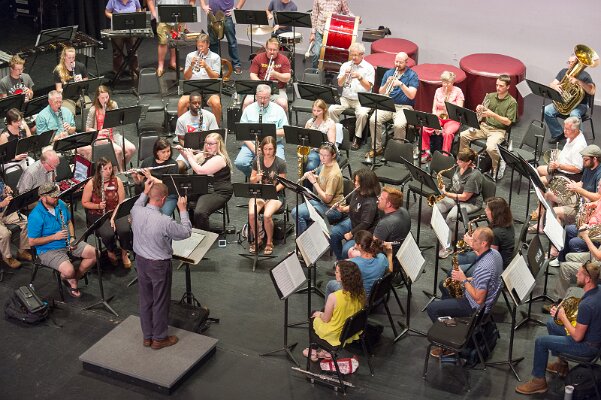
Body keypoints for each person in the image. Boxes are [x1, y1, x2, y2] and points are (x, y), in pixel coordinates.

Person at [516, 262, 601, 395]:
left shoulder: (587, 305)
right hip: (592, 337)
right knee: (551, 323)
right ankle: (561, 365)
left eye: (579, 273)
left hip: (587, 347)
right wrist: (561, 314)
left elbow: (577, 337)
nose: (576, 275)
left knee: (541, 342)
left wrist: (563, 316)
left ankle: (539, 382)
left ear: (588, 279)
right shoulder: (598, 289)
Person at [131, 179, 192, 350]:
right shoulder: (165, 221)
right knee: (160, 301)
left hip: (140, 261)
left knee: (145, 300)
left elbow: (139, 201)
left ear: (149, 195)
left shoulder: (136, 210)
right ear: (164, 199)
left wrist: (145, 191)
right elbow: (186, 232)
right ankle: (159, 338)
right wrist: (183, 210)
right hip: (158, 265)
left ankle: (147, 336)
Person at [426, 227, 503, 357]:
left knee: (432, 308)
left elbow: (479, 299)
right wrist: (470, 279)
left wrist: (463, 280)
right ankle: (451, 320)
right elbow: (488, 279)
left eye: (474, 240)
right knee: (443, 285)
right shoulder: (495, 254)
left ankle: (449, 344)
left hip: (474, 307)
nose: (471, 241)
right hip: (481, 296)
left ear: (484, 243)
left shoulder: (484, 268)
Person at [28, 182, 97, 298]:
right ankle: (70, 277)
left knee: (95, 253)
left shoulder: (60, 204)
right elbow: (32, 241)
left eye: (57, 195)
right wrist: (54, 237)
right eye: (53, 196)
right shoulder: (35, 216)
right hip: (48, 250)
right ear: (43, 197)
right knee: (69, 271)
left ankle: (75, 278)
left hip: (67, 242)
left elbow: (69, 222)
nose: (57, 198)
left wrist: (72, 238)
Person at [530, 117, 587, 232]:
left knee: (541, 183)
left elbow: (577, 168)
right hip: (560, 170)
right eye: (564, 128)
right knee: (538, 171)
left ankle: (541, 215)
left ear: (575, 130)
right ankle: (541, 210)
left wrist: (559, 165)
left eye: (567, 129)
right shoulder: (571, 137)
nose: (564, 131)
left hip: (568, 176)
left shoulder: (579, 145)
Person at [303, 260, 364, 361]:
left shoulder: (334, 297)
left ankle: (313, 351)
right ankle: (326, 352)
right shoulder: (361, 292)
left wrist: (319, 314)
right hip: (349, 331)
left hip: (335, 334)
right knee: (323, 311)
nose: (335, 273)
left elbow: (326, 319)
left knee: (313, 314)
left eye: (337, 272)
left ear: (343, 276)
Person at [459, 74, 517, 181]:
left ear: (508, 87)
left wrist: (492, 114)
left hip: (498, 130)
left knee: (490, 147)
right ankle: (466, 161)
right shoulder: (490, 96)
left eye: (501, 86)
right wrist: (480, 108)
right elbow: (482, 113)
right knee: (463, 135)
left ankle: (497, 166)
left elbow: (508, 122)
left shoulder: (512, 102)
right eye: (497, 85)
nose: (498, 88)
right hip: (484, 127)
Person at [81, 158, 131, 268]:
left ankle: (124, 253)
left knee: (124, 230)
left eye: (110, 168)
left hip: (116, 211)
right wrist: (98, 206)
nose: (109, 171)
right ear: (99, 171)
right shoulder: (91, 183)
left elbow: (121, 202)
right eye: (105, 169)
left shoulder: (117, 181)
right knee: (108, 234)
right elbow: (84, 202)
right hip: (98, 213)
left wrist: (113, 218)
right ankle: (110, 251)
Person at [368, 52, 418, 159]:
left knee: (399, 125)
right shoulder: (389, 73)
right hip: (388, 104)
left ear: (406, 62)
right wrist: (387, 83)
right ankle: (377, 148)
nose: (398, 64)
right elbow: (381, 92)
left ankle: (397, 151)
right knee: (373, 119)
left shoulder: (412, 75)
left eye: (400, 62)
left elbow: (412, 95)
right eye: (396, 62)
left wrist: (401, 84)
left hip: (404, 106)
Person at [436, 148, 483, 259]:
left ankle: (449, 247)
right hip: (456, 195)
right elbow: (454, 183)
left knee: (451, 217)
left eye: (460, 161)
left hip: (471, 202)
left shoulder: (474, 176)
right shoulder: (459, 167)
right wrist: (445, 189)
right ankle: (443, 233)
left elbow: (465, 197)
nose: (457, 162)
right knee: (437, 207)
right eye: (457, 160)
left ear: (469, 162)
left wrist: (446, 193)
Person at [180, 132, 233, 231]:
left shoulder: (219, 159)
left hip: (218, 191)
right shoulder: (202, 155)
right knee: (179, 197)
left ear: (218, 145)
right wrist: (184, 152)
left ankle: (205, 235)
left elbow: (201, 171)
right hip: (203, 187)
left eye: (211, 144)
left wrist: (190, 157)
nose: (208, 146)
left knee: (200, 212)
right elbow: (193, 162)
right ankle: (192, 225)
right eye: (206, 143)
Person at [344, 186, 410, 262]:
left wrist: (357, 247)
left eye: (381, 198)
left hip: (386, 255)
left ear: (388, 204)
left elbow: (373, 248)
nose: (378, 199)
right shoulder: (404, 211)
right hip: (400, 250)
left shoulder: (384, 224)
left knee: (351, 251)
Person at [234, 84, 287, 177]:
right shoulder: (248, 109)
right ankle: (255, 177)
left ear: (270, 96)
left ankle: (270, 180)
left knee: (280, 164)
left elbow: (285, 131)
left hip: (274, 144)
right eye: (260, 98)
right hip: (253, 143)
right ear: (256, 96)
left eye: (266, 98)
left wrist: (269, 131)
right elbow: (242, 132)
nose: (262, 101)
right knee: (240, 162)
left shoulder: (278, 110)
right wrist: (253, 148)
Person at [328, 43, 374, 150]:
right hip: (346, 98)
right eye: (351, 55)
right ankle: (336, 133)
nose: (353, 57)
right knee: (331, 109)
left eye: (355, 55)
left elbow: (368, 87)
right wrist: (345, 75)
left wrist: (359, 77)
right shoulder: (345, 65)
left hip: (362, 99)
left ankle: (357, 138)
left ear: (362, 55)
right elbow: (340, 84)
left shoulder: (369, 68)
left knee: (362, 114)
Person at [291, 142, 344, 235]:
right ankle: (307, 237)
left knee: (298, 213)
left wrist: (314, 182)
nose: (322, 158)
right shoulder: (325, 164)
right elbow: (325, 181)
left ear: (333, 155)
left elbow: (327, 199)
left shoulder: (334, 174)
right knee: (295, 211)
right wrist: (316, 178)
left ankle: (305, 240)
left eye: (326, 155)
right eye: (321, 154)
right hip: (321, 202)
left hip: (333, 209)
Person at [246, 136, 286, 255]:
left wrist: (272, 192)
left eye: (270, 149)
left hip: (275, 194)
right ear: (262, 149)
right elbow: (251, 180)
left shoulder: (280, 163)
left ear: (275, 149)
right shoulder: (257, 161)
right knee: (252, 214)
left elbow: (283, 183)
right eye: (265, 149)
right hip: (259, 193)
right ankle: (258, 238)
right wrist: (256, 178)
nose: (268, 152)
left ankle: (269, 241)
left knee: (267, 216)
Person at [330, 168, 380, 260]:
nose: (355, 183)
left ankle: (346, 263)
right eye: (355, 180)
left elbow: (365, 223)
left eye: (358, 181)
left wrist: (351, 233)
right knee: (333, 233)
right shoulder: (357, 191)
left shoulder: (370, 202)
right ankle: (340, 260)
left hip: (363, 231)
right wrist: (343, 209)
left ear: (365, 183)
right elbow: (355, 206)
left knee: (346, 250)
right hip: (353, 222)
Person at [545, 55, 596, 145]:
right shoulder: (563, 72)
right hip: (563, 102)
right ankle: (557, 133)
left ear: (578, 63)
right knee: (547, 110)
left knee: (574, 115)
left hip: (580, 105)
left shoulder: (585, 76)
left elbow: (592, 91)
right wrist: (555, 86)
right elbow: (551, 84)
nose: (570, 64)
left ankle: (578, 141)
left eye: (573, 62)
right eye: (569, 62)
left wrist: (578, 82)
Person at [83, 85, 137, 169]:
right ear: (97, 97)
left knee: (131, 149)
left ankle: (119, 168)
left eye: (107, 97)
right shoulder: (93, 109)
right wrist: (98, 132)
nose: (105, 100)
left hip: (113, 134)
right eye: (102, 98)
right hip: (99, 137)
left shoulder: (113, 105)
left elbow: (118, 123)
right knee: (118, 150)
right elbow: (87, 128)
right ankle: (119, 172)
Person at [456, 197, 515, 273]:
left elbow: (488, 258)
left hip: (494, 268)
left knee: (454, 268)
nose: (485, 210)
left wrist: (471, 244)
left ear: (494, 213)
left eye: (487, 209)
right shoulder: (506, 222)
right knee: (458, 259)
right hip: (495, 258)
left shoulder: (496, 233)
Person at [326, 230, 391, 299]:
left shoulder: (353, 264)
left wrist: (340, 267)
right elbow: (389, 272)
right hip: (376, 295)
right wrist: (390, 253)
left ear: (359, 246)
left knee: (331, 284)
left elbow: (341, 280)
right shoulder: (382, 257)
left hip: (360, 299)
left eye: (355, 243)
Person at [178, 33, 222, 124]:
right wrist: (191, 66)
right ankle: (182, 128)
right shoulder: (190, 56)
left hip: (210, 89)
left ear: (208, 45)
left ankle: (216, 128)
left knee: (216, 103)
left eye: (202, 46)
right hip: (193, 88)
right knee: (182, 102)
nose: (200, 49)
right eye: (198, 46)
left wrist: (206, 67)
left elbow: (216, 77)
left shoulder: (215, 57)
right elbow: (186, 77)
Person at [421, 70, 464, 162]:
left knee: (447, 133)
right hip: (439, 116)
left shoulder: (458, 91)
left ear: (452, 82)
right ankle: (426, 152)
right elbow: (434, 109)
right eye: (443, 82)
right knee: (425, 127)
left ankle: (445, 156)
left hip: (452, 119)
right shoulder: (438, 91)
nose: (445, 85)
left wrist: (448, 106)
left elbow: (459, 111)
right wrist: (435, 123)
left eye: (447, 83)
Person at [147, 0, 196, 77]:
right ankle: (160, 66)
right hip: (162, 16)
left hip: (180, 16)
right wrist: (153, 13)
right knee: (163, 42)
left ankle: (173, 63)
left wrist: (188, 11)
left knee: (175, 40)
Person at [131, 138, 179, 216]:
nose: (167, 154)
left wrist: (150, 177)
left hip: (167, 195)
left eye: (168, 151)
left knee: (161, 217)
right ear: (157, 152)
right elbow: (139, 182)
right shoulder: (147, 161)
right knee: (139, 214)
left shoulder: (173, 164)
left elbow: (168, 185)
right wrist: (135, 177)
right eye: (163, 152)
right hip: (150, 194)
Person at [244, 37, 291, 113]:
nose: (272, 52)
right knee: (247, 102)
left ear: (278, 50)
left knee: (283, 104)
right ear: (266, 48)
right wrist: (260, 83)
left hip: (277, 90)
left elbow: (287, 78)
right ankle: (246, 121)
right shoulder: (258, 57)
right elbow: (253, 74)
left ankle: (282, 121)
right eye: (269, 49)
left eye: (274, 50)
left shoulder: (284, 59)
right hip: (259, 88)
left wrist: (275, 74)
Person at [174, 92, 219, 171]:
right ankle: (186, 177)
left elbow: (215, 136)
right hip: (189, 150)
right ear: (189, 104)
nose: (197, 105)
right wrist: (189, 150)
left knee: (208, 167)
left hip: (206, 150)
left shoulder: (210, 116)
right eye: (194, 103)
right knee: (178, 166)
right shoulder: (181, 119)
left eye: (199, 103)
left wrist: (206, 150)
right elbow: (181, 138)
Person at [200, 0, 245, 75]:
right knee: (213, 42)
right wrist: (203, 6)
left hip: (227, 16)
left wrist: (237, 8)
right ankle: (213, 64)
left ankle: (236, 64)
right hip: (212, 16)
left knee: (232, 42)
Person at [105, 0, 142, 80]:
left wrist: (137, 17)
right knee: (117, 52)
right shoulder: (113, 1)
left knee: (133, 51)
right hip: (117, 30)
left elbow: (139, 9)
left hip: (132, 29)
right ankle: (117, 72)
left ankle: (134, 71)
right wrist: (115, 18)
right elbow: (107, 12)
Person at [309, 0, 352, 69]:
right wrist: (313, 33)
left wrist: (355, 19)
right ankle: (314, 72)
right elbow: (314, 15)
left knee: (332, 55)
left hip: (334, 31)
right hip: (320, 30)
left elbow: (347, 12)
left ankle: (330, 71)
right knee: (316, 53)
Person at [0, 177, 32, 269]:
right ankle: (7, 258)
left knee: (26, 221)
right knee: (5, 234)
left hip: (3, 211)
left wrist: (5, 192)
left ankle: (22, 251)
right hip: (2, 207)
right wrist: (1, 204)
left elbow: (2, 189)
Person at [304, 99, 337, 173]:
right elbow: (305, 139)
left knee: (320, 171)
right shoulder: (309, 122)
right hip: (314, 150)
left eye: (318, 111)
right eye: (314, 110)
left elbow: (331, 143)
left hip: (328, 151)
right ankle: (307, 181)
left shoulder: (330, 123)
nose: (316, 113)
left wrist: (323, 156)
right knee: (310, 167)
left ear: (324, 110)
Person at [53, 46, 88, 116]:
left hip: (80, 95)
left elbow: (86, 81)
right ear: (64, 57)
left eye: (73, 57)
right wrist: (61, 89)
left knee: (90, 109)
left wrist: (81, 81)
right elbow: (58, 88)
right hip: (67, 97)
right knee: (69, 114)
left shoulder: (81, 66)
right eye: (69, 58)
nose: (71, 60)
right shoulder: (58, 70)